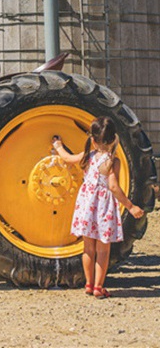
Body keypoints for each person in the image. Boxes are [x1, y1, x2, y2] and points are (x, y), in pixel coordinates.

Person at [52, 116, 145, 298]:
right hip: (103, 208)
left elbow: (68, 158)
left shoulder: (88, 156)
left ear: (93, 140)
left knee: (88, 249)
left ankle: (88, 284)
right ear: (113, 139)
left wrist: (58, 147)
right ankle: (98, 287)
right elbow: (113, 187)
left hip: (87, 206)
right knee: (103, 251)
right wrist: (130, 206)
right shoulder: (113, 162)